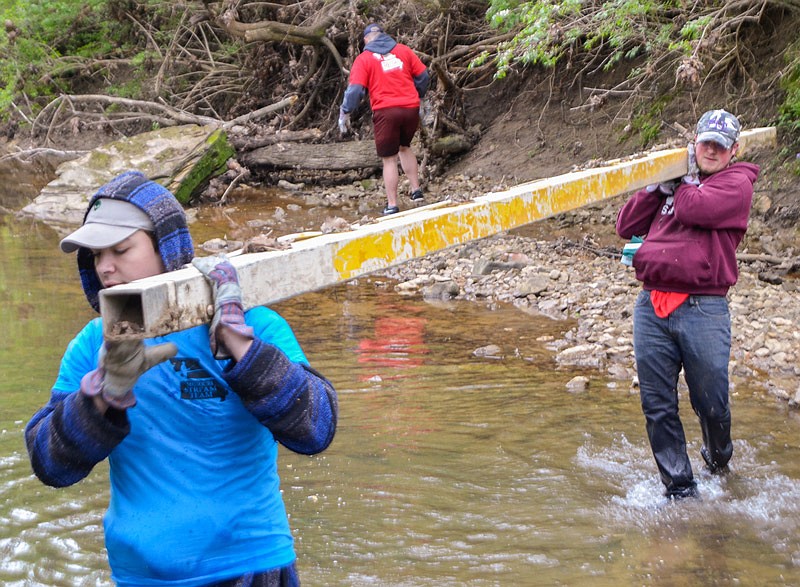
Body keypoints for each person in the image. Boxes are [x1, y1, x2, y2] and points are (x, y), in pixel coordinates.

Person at [24, 170, 338, 586]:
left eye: (120, 249)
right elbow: (50, 466)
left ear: (166, 248)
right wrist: (101, 395)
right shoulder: (93, 347)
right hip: (139, 575)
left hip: (248, 566)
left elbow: (316, 429)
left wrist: (242, 351)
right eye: (96, 256)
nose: (106, 268)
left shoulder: (253, 324)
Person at [615, 109, 759, 500]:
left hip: (704, 307)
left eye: (720, 145)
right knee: (657, 405)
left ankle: (718, 459)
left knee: (711, 402)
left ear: (734, 150)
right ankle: (679, 490)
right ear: (694, 144)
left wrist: (680, 183)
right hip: (652, 305)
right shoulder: (676, 184)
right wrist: (655, 188)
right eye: (705, 143)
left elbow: (696, 209)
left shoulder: (736, 183)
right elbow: (626, 225)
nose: (711, 150)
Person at [338, 23, 430, 215]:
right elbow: (423, 75)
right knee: (405, 147)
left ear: (365, 41)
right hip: (410, 108)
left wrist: (345, 111)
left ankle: (392, 204)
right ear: (383, 35)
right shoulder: (403, 51)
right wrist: (418, 94)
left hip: (386, 111)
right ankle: (416, 191)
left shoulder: (364, 59)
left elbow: (355, 90)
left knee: (389, 159)